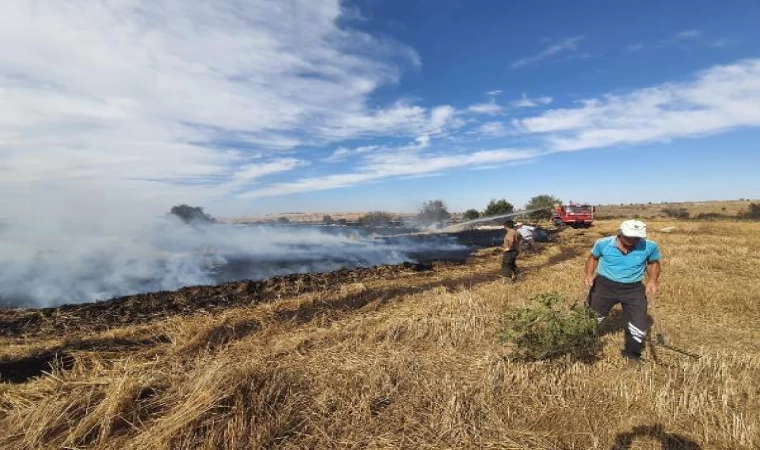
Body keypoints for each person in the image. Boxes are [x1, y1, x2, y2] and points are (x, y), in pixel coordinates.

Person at [584, 219, 661, 364]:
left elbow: (653, 263)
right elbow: (593, 258)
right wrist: (589, 275)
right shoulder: (603, 243)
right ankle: (583, 344)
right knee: (591, 318)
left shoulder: (649, 246)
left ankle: (632, 354)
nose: (632, 240)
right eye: (629, 237)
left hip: (633, 288)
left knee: (637, 323)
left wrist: (652, 281)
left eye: (636, 237)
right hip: (604, 285)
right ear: (620, 232)